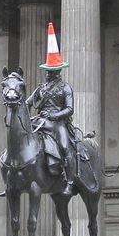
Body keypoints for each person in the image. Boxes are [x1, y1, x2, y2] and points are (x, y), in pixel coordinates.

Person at [26, 22, 76, 198]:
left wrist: (54, 115)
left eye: (53, 70)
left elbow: (69, 109)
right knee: (22, 139)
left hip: (58, 123)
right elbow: (29, 103)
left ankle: (69, 182)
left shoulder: (65, 88)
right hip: (40, 122)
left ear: (59, 71)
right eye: (48, 70)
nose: (50, 73)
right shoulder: (41, 88)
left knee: (64, 146)